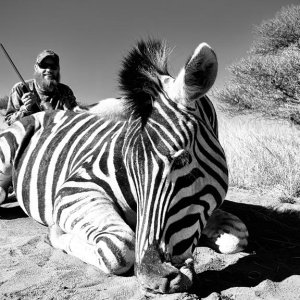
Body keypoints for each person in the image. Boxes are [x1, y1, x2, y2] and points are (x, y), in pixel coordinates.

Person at [5, 49, 78, 125]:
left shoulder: (66, 91)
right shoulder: (20, 88)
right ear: (36, 67)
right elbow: (9, 121)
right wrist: (25, 110)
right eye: (44, 66)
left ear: (58, 69)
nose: (49, 70)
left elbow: (76, 117)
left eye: (53, 66)